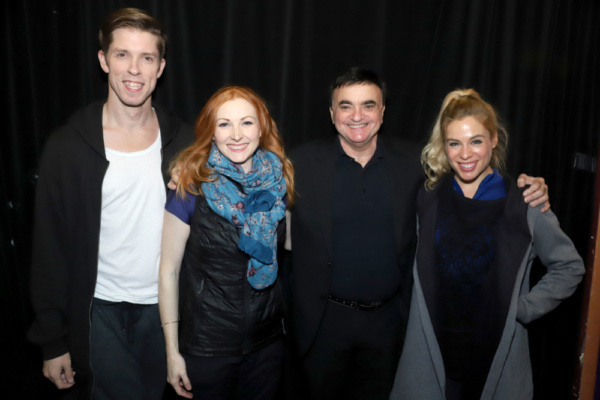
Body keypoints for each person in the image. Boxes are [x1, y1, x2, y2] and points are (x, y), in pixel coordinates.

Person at [285, 68, 550, 400]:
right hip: (321, 326)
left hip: (390, 326)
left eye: (368, 105)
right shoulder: (299, 163)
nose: (357, 116)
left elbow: (472, 176)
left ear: (382, 112)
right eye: (345, 106)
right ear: (332, 113)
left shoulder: (415, 163)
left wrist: (526, 187)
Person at [27, 8, 193, 399]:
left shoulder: (186, 143)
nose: (134, 69)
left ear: (161, 67)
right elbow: (48, 249)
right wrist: (52, 340)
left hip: (167, 313)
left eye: (146, 58)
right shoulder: (67, 147)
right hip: (98, 312)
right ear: (103, 60)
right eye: (122, 55)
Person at [389, 89, 584, 400]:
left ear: (494, 140)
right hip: (433, 356)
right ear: (445, 146)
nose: (465, 154)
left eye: (476, 141)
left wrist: (523, 308)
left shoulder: (524, 201)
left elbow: (570, 265)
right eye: (455, 143)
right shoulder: (429, 196)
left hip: (494, 359)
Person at [159, 85, 295, 399]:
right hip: (207, 348)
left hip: (267, 344)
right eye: (224, 124)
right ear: (212, 132)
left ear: (261, 128)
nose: (236, 134)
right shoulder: (190, 186)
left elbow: (292, 248)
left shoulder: (279, 182)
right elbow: (168, 272)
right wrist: (172, 352)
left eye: (246, 122)